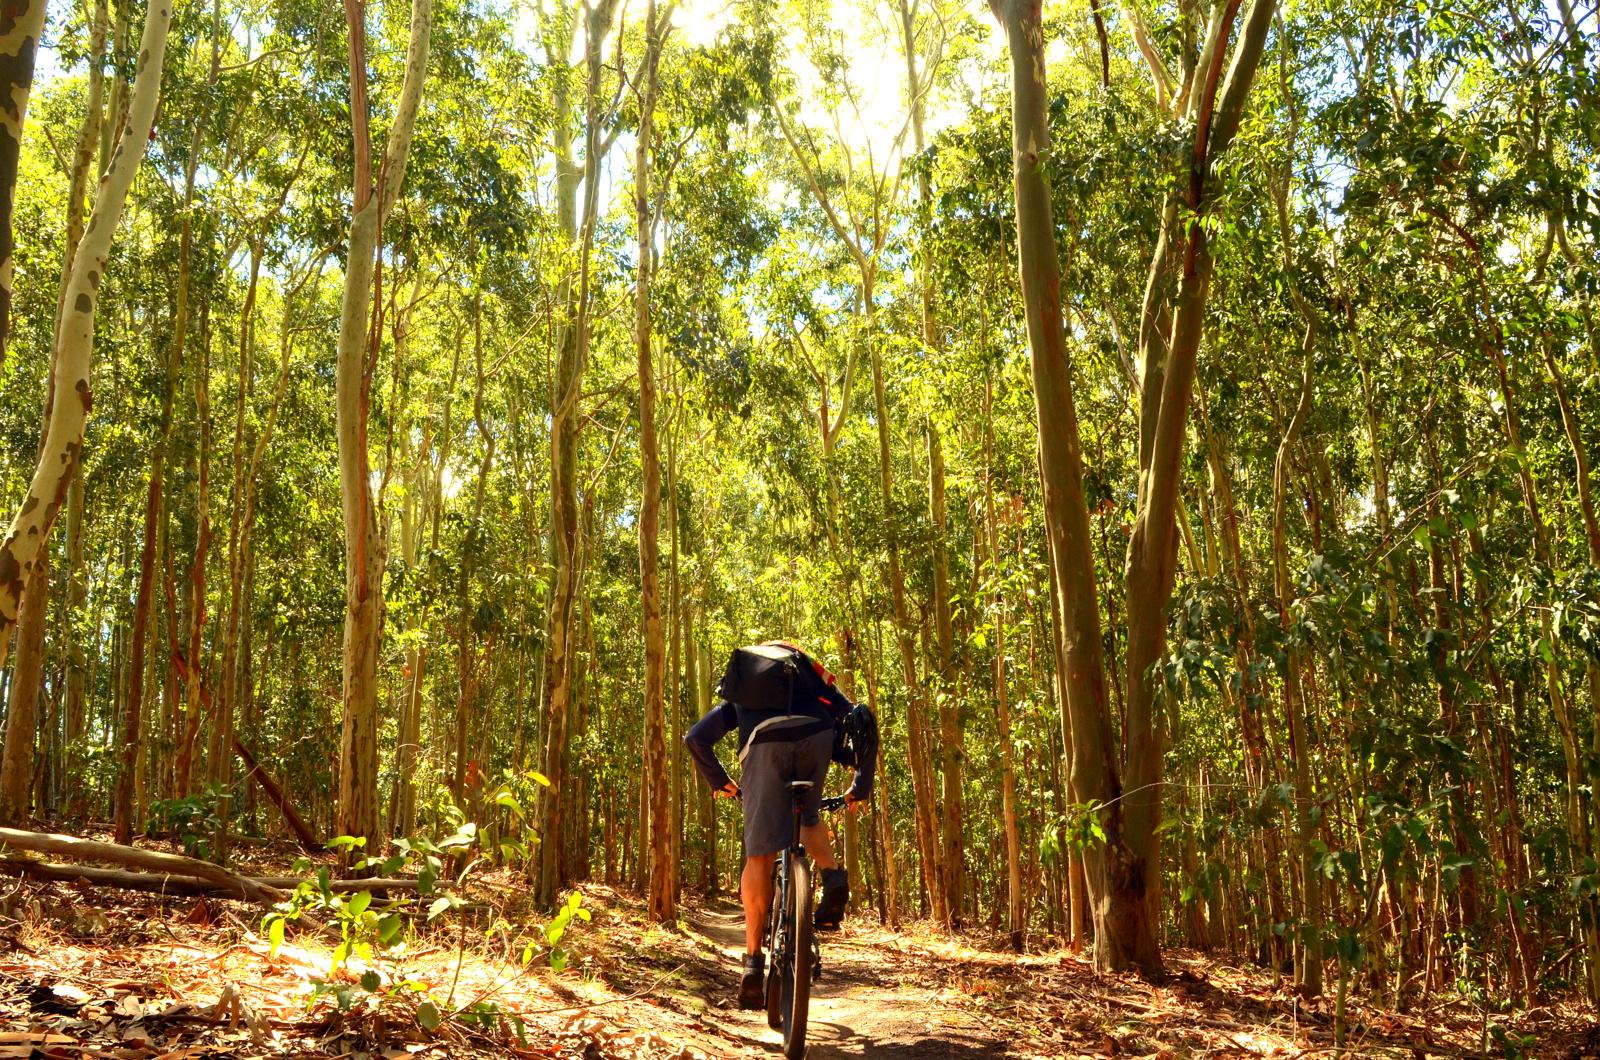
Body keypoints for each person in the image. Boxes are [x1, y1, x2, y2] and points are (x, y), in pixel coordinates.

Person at [684, 640, 876, 1010]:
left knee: (759, 856)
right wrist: (859, 786)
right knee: (808, 815)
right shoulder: (812, 681)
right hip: (816, 735)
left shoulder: (743, 695)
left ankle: (753, 964)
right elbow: (860, 720)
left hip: (763, 745)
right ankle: (833, 876)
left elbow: (696, 738)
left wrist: (720, 781)